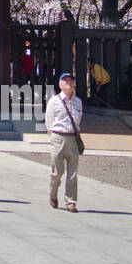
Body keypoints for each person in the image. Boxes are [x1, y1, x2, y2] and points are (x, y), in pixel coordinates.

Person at [44, 72, 84, 211]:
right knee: (57, 172)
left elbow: (78, 119)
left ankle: (71, 201)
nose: (68, 82)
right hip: (58, 138)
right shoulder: (54, 101)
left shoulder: (78, 101)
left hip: (72, 138)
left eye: (70, 80)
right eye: (65, 80)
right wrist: (53, 137)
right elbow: (49, 122)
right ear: (60, 84)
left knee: (72, 173)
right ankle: (53, 194)